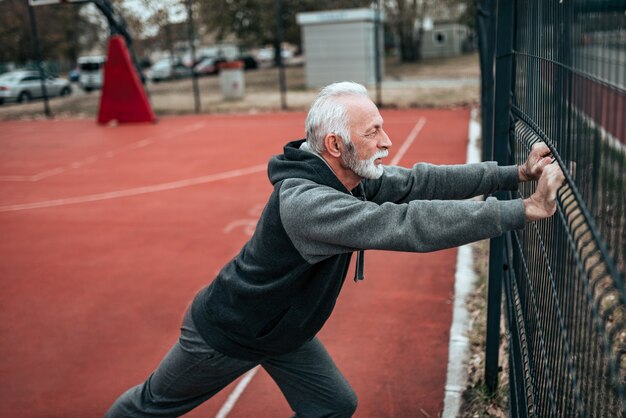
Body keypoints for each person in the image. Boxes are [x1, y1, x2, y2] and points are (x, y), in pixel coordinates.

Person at [105, 81, 564, 417]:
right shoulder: (307, 205)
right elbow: (407, 225)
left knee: (332, 406)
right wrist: (522, 211)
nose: (386, 142)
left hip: (283, 330)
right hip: (227, 332)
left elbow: (423, 181)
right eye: (374, 132)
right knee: (149, 408)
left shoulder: (352, 175)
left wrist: (515, 174)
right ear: (335, 144)